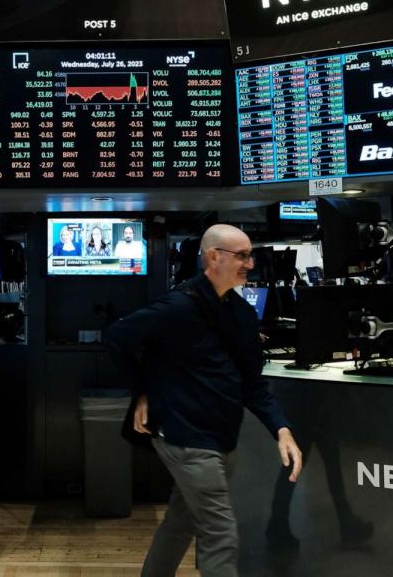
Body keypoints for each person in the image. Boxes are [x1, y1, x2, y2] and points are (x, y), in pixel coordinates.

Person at [104, 224, 303, 577]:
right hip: (186, 437)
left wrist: (281, 429)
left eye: (249, 256)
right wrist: (143, 391)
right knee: (219, 531)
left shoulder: (241, 313)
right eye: (241, 256)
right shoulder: (178, 307)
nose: (249, 264)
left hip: (222, 438)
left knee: (181, 522)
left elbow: (252, 383)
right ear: (213, 257)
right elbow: (118, 337)